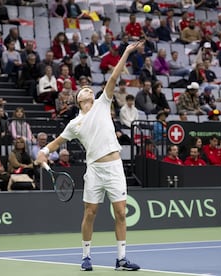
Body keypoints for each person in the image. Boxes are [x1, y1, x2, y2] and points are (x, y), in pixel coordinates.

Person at [35, 42, 142, 272]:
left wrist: (126, 52)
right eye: (85, 90)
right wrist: (43, 153)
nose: (89, 90)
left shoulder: (103, 104)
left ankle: (121, 259)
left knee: (121, 212)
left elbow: (113, 78)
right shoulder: (74, 124)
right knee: (90, 213)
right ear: (79, 100)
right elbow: (56, 143)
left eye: (90, 90)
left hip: (114, 167)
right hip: (94, 170)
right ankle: (85, 257)